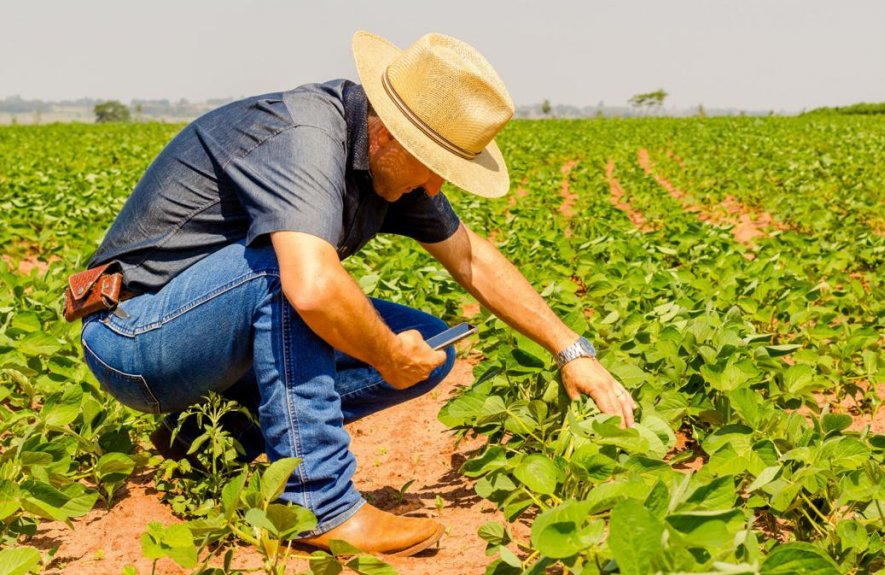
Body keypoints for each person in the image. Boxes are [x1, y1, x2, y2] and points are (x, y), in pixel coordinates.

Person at [78, 31, 636, 557]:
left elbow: (471, 257)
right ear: (392, 134)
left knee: (430, 348)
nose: (437, 186)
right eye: (437, 166)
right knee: (291, 273)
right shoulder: (304, 136)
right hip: (133, 339)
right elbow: (312, 288)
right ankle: (320, 505)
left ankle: (209, 431)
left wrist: (571, 350)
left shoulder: (389, 164)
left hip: (206, 346)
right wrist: (383, 356)